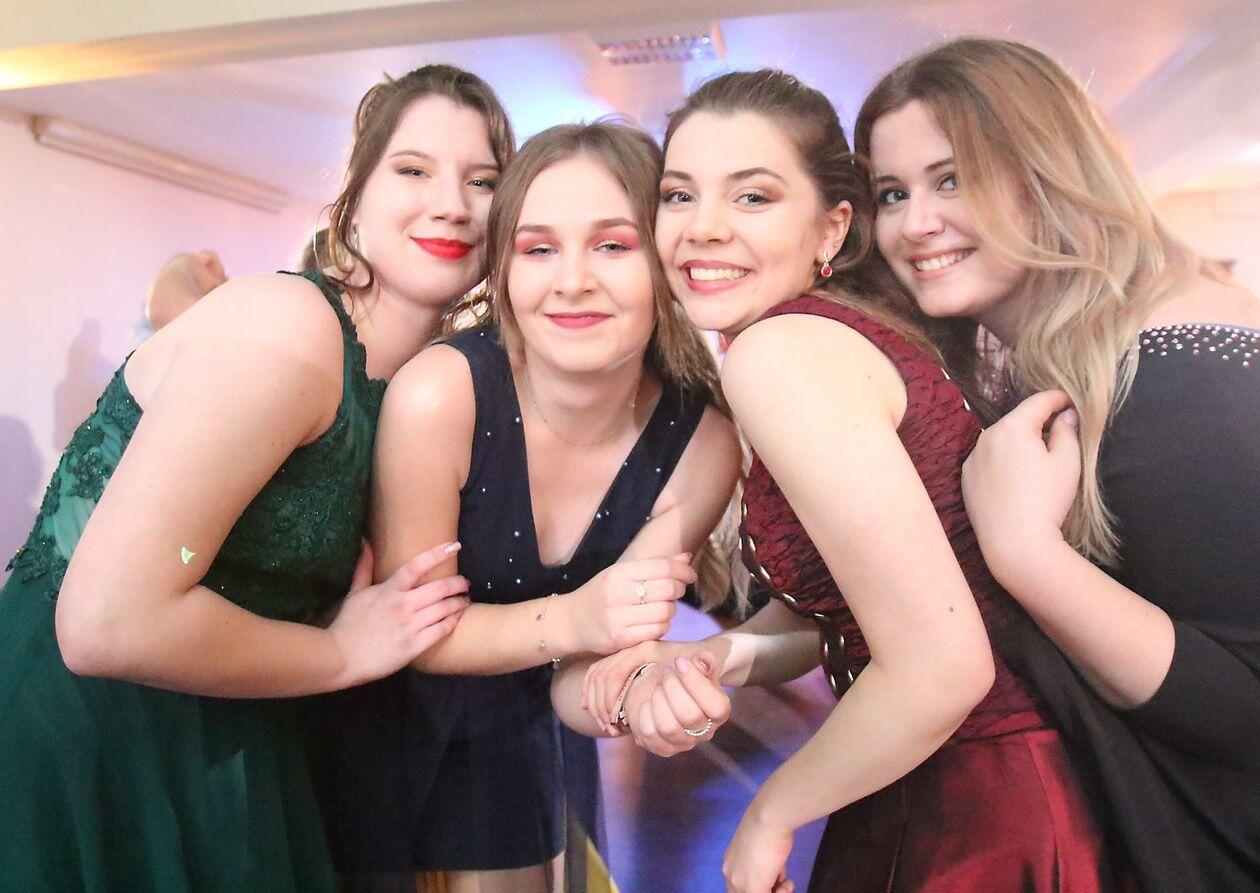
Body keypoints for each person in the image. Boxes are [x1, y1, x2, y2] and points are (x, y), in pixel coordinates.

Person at [570, 69, 1128, 893]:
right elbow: (854, 615)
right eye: (680, 196)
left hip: (974, 802)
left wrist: (772, 812)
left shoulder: (783, 353)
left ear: (832, 225)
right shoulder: (847, 332)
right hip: (967, 781)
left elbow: (942, 666)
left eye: (752, 197)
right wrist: (720, 653)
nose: (703, 228)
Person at [0, 63, 513, 891]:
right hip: (83, 741)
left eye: (481, 180)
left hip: (225, 729)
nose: (452, 203)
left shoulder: (422, 382)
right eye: (414, 169)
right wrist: (339, 649)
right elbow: (103, 623)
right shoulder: (289, 327)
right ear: (355, 195)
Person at [855, 36, 1260, 891]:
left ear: (1049, 172)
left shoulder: (1179, 374)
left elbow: (1244, 705)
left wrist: (1029, 557)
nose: (913, 224)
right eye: (893, 192)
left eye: (953, 179)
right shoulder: (1069, 361)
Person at [311, 121, 740, 893]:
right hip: (373, 735)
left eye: (612, 245)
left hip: (520, 738)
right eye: (538, 249)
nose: (572, 280)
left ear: (665, 257)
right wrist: (576, 621)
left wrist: (642, 693)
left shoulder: (701, 444)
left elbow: (599, 658)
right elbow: (412, 628)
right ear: (503, 269)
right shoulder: (441, 393)